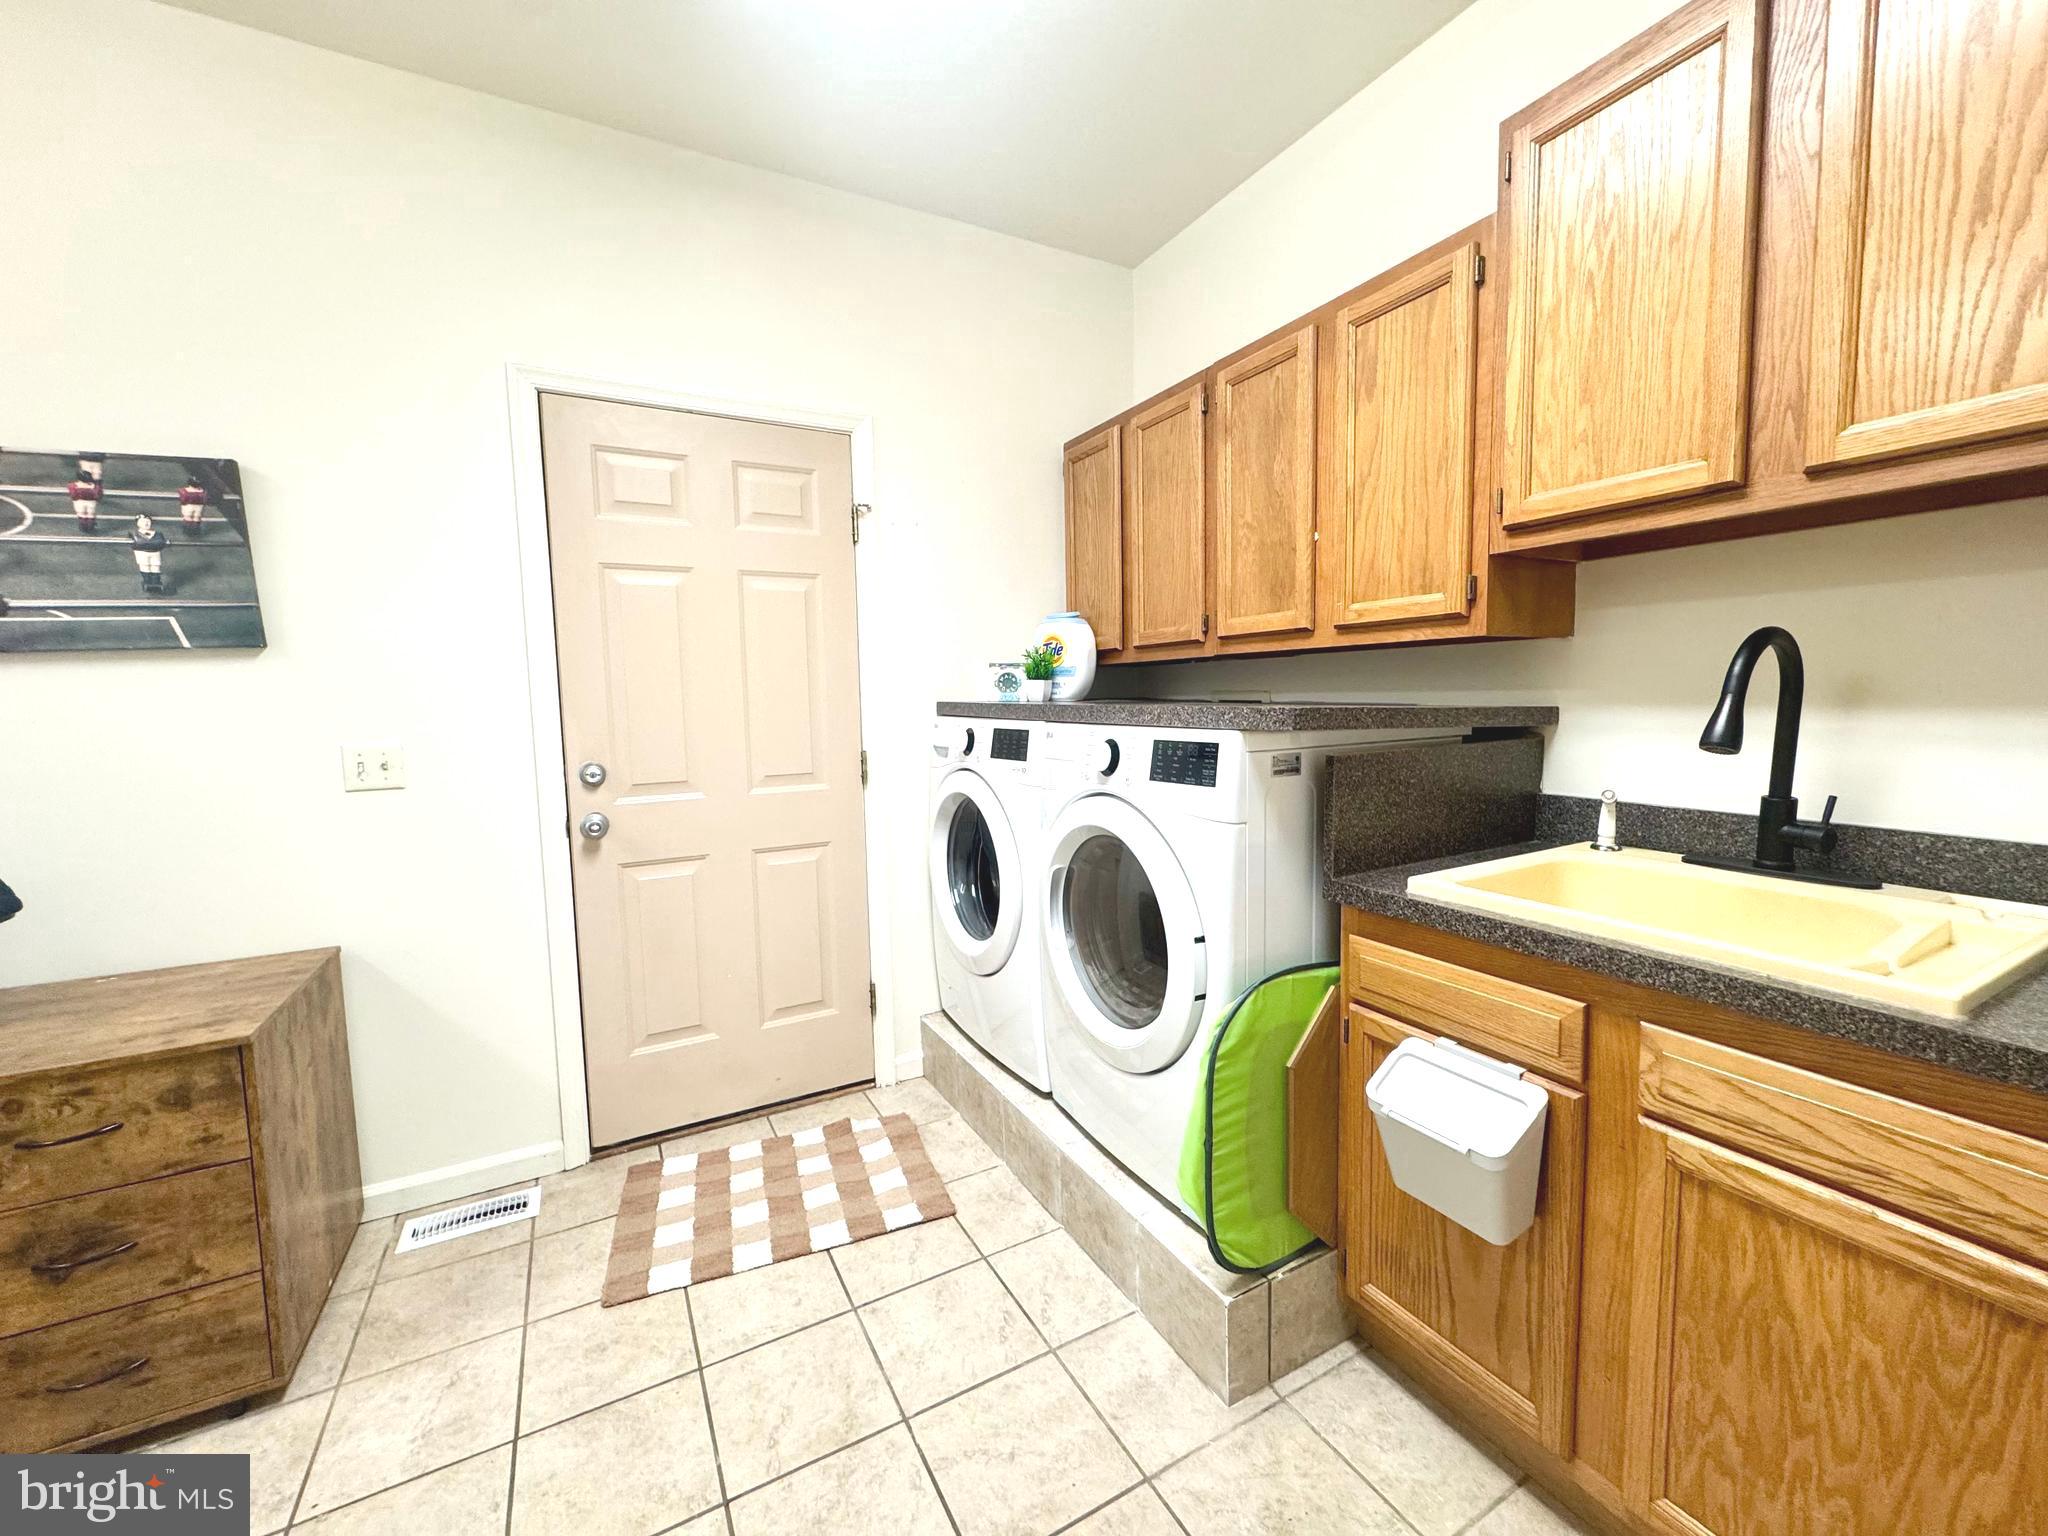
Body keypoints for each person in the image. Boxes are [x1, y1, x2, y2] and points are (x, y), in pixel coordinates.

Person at [130, 512, 169, 594]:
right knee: (145, 566)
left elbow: (160, 542)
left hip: (155, 553)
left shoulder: (157, 534)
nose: (146, 523)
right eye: (143, 521)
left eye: (148, 521)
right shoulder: (135, 534)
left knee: (155, 567)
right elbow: (138, 543)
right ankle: (147, 581)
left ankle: (156, 582)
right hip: (142, 553)